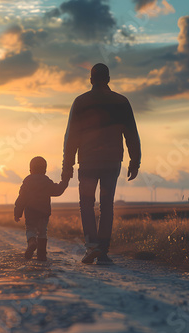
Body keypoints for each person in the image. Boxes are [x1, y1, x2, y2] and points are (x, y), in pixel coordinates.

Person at [61, 63, 141, 265]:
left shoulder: (80, 101)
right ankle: (103, 252)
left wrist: (67, 166)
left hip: (88, 161)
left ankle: (92, 246)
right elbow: (131, 133)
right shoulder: (121, 101)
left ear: (91, 79)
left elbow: (72, 137)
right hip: (112, 160)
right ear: (108, 79)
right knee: (107, 206)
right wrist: (135, 161)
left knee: (86, 204)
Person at [14, 156, 68, 261]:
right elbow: (57, 191)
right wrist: (64, 182)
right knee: (42, 232)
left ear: (30, 169)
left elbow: (21, 198)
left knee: (30, 229)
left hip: (30, 213)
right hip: (43, 213)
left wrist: (17, 213)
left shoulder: (27, 181)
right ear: (45, 169)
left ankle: (32, 242)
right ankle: (42, 255)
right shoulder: (46, 181)